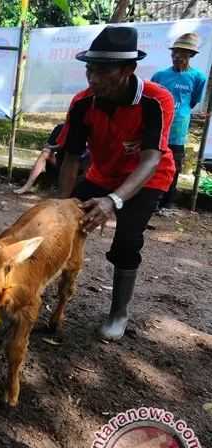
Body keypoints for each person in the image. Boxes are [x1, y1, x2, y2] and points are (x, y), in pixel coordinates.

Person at [57, 26, 175, 341]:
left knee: (126, 239)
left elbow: (151, 159)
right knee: (58, 220)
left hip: (148, 178)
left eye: (103, 71)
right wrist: (59, 206)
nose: (92, 78)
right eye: (89, 70)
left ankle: (119, 313)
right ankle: (52, 296)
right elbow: (70, 159)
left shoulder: (156, 99)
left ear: (128, 70)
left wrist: (112, 201)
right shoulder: (83, 103)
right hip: (102, 175)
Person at [151, 32, 207, 212]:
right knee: (152, 163)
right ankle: (151, 201)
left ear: (191, 55)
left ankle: (167, 202)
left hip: (178, 129)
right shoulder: (160, 76)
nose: (177, 57)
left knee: (173, 166)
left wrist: (179, 112)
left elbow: (193, 101)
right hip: (158, 127)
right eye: (174, 53)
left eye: (182, 53)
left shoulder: (198, 77)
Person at [15, 124, 90, 194]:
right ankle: (28, 185)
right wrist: (49, 148)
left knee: (88, 161)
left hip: (81, 167)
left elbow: (61, 146)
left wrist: (51, 147)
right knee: (45, 152)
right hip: (61, 164)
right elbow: (51, 146)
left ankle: (70, 192)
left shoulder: (89, 131)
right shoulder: (61, 128)